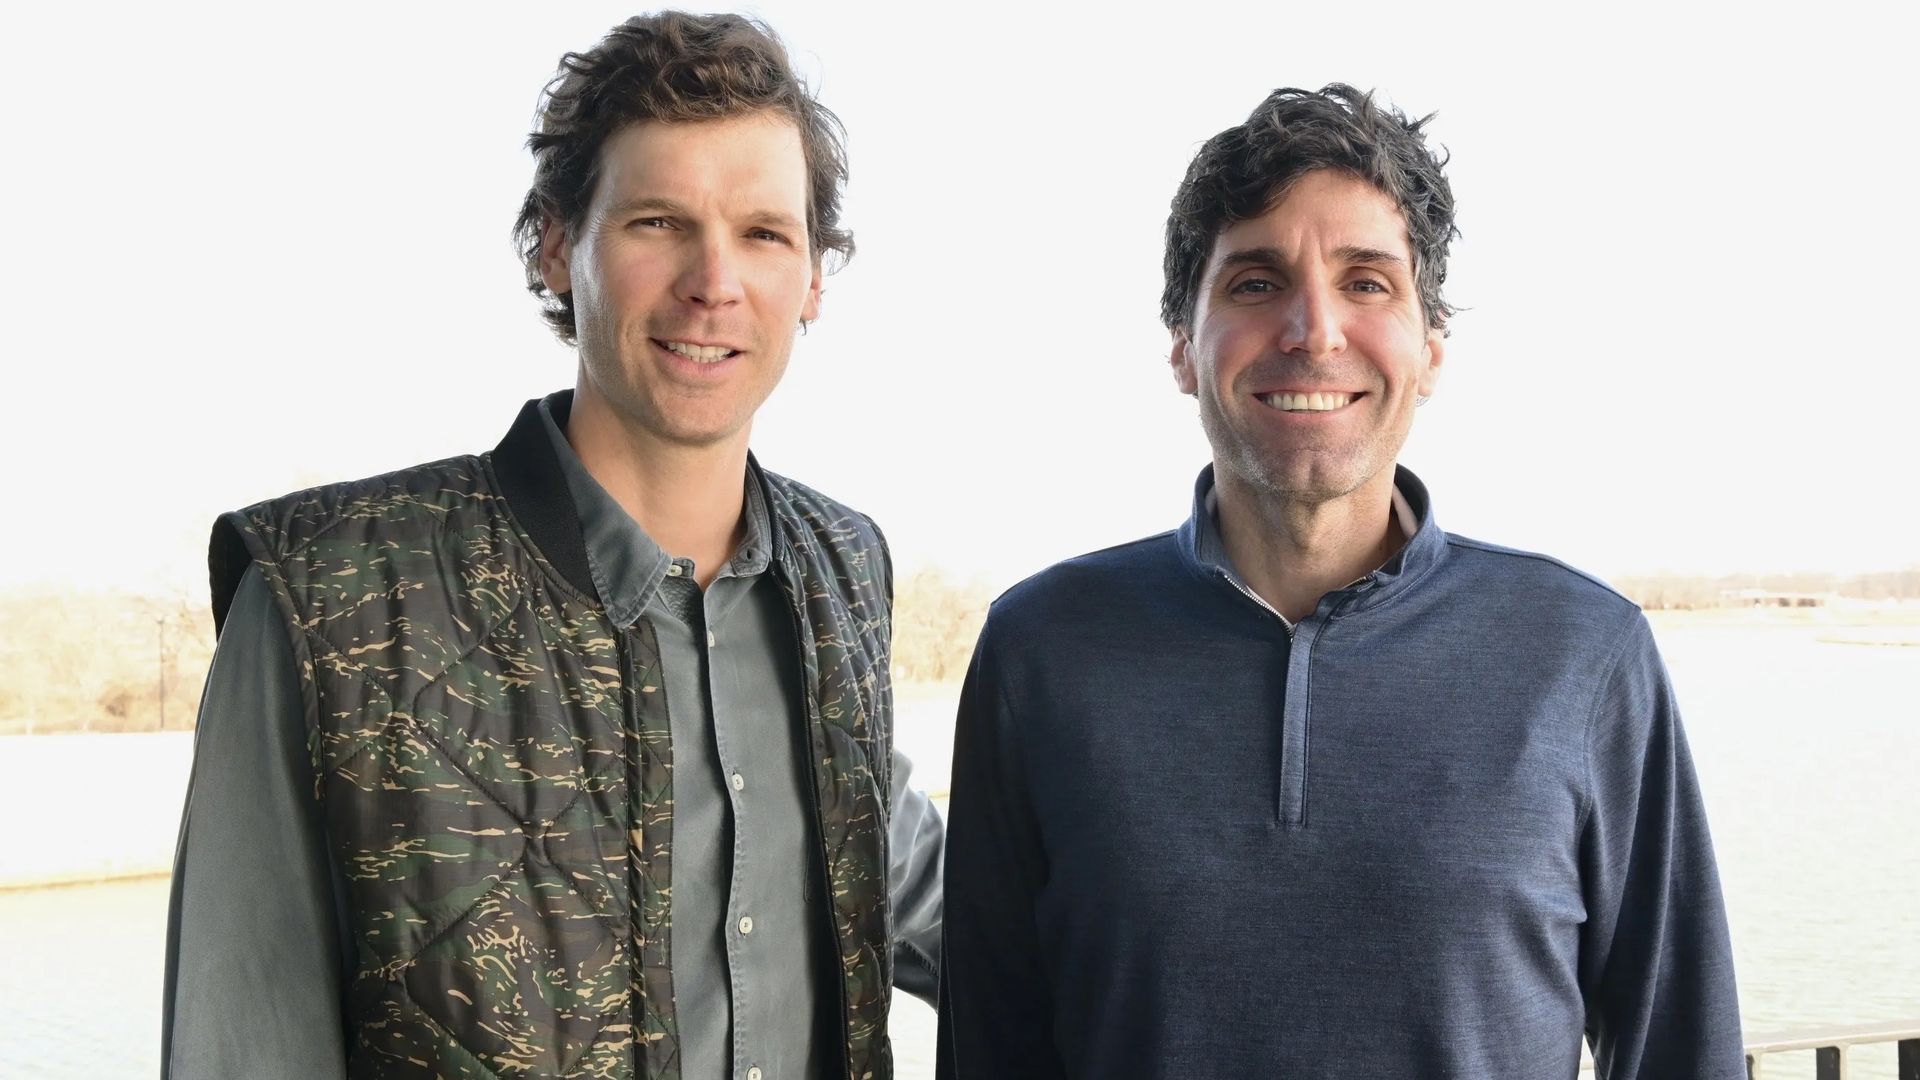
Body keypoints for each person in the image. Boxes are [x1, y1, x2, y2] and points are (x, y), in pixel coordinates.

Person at [163, 13, 942, 1080]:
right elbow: (238, 1045)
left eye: (765, 233)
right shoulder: (330, 594)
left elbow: (935, 897)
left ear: (813, 278)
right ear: (555, 245)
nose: (714, 280)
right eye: (659, 221)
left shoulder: (843, 571)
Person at [936, 84, 1743, 1079]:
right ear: (1184, 347)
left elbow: (1682, 1051)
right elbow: (989, 1051)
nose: (1314, 330)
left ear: (1430, 349)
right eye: (1255, 282)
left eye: (1366, 282)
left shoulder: (1586, 656)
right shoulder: (1039, 653)